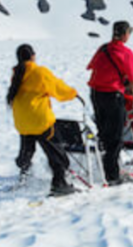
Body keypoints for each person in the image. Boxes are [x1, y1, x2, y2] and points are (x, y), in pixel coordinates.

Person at [7, 44, 79, 196]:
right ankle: (59, 184)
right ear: (33, 55)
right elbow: (57, 87)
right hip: (40, 120)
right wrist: (72, 93)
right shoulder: (39, 72)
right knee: (57, 153)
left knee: (27, 151)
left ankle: (24, 179)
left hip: (22, 121)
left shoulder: (17, 73)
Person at [87, 20, 133, 185]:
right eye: (129, 32)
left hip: (95, 94)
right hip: (112, 95)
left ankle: (104, 168)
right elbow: (132, 79)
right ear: (124, 35)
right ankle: (113, 175)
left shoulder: (103, 49)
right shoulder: (126, 53)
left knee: (103, 132)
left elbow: (91, 66)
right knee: (115, 136)